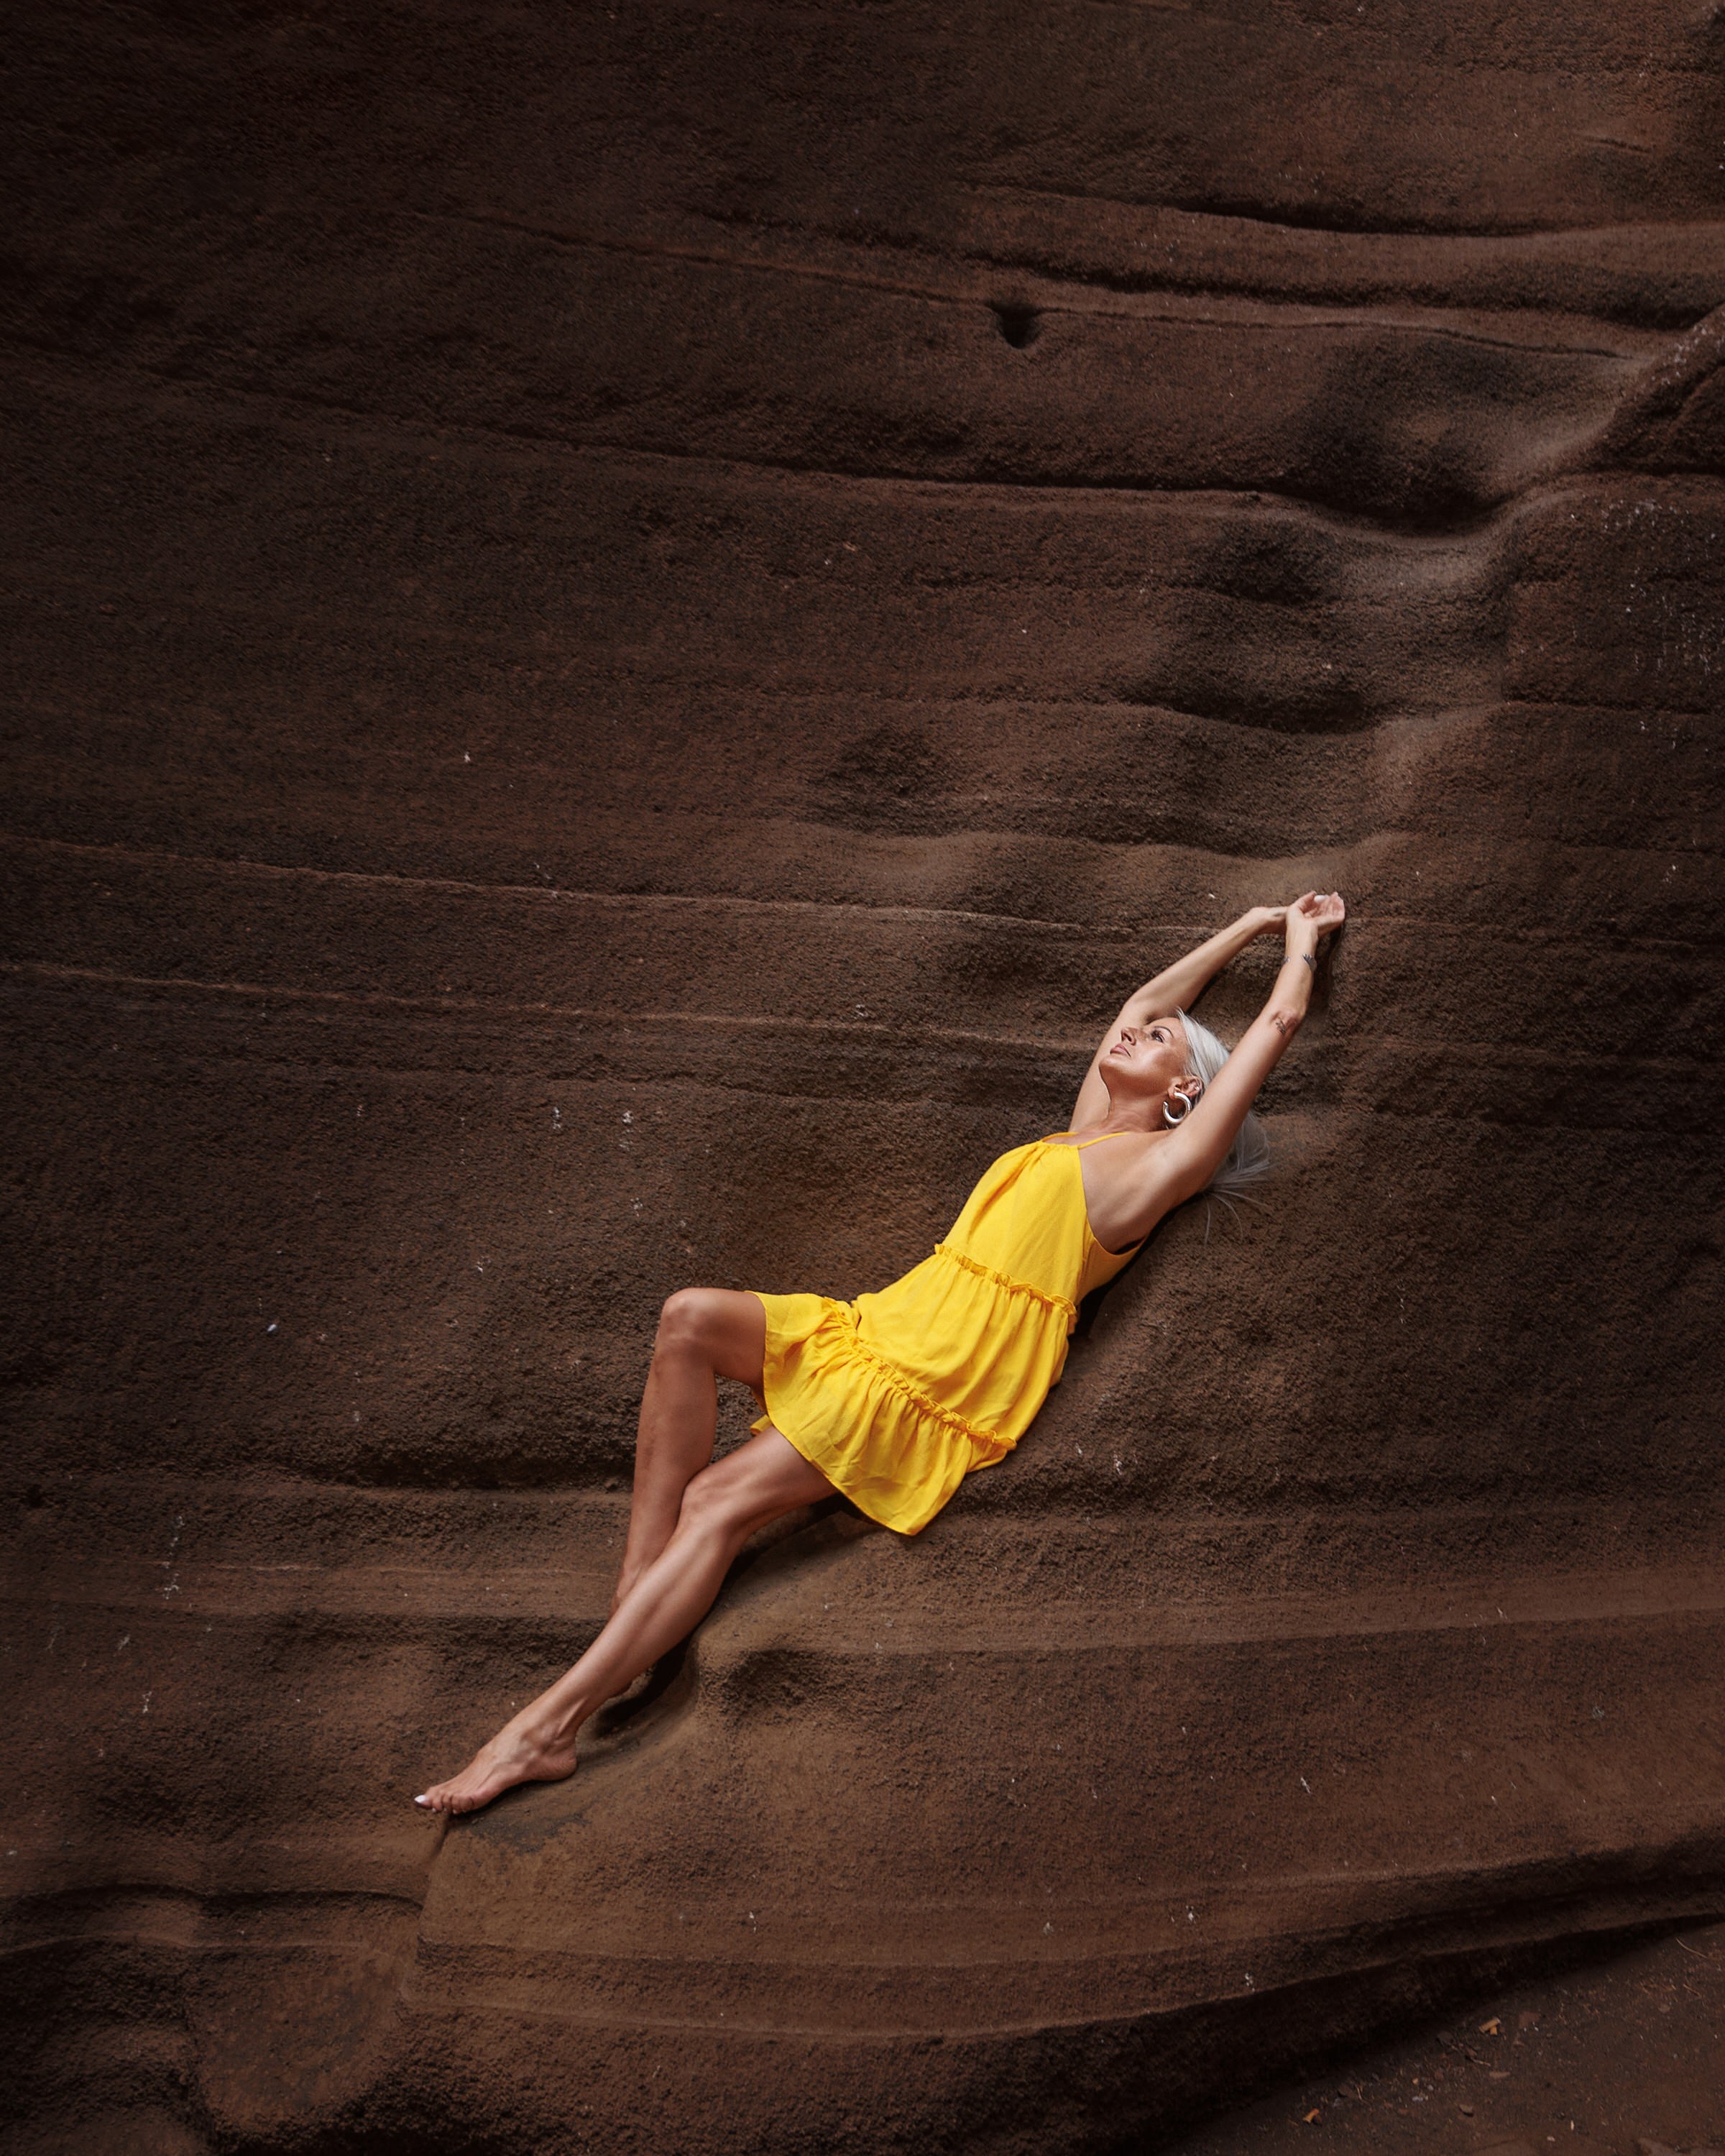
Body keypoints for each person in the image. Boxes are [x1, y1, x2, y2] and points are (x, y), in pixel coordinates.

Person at [415, 890, 1346, 1813]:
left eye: (1161, 1047)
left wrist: (1301, 943)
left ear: (1188, 1093)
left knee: (719, 1505)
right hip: (879, 1325)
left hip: (929, 1377)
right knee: (687, 1320)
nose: (1135, 1035)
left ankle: (546, 1732)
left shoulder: (1151, 1174)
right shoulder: (1080, 1130)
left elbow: (1282, 1018)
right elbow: (1142, 1002)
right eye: (1139, 1035)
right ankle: (634, 1610)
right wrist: (1248, 925)